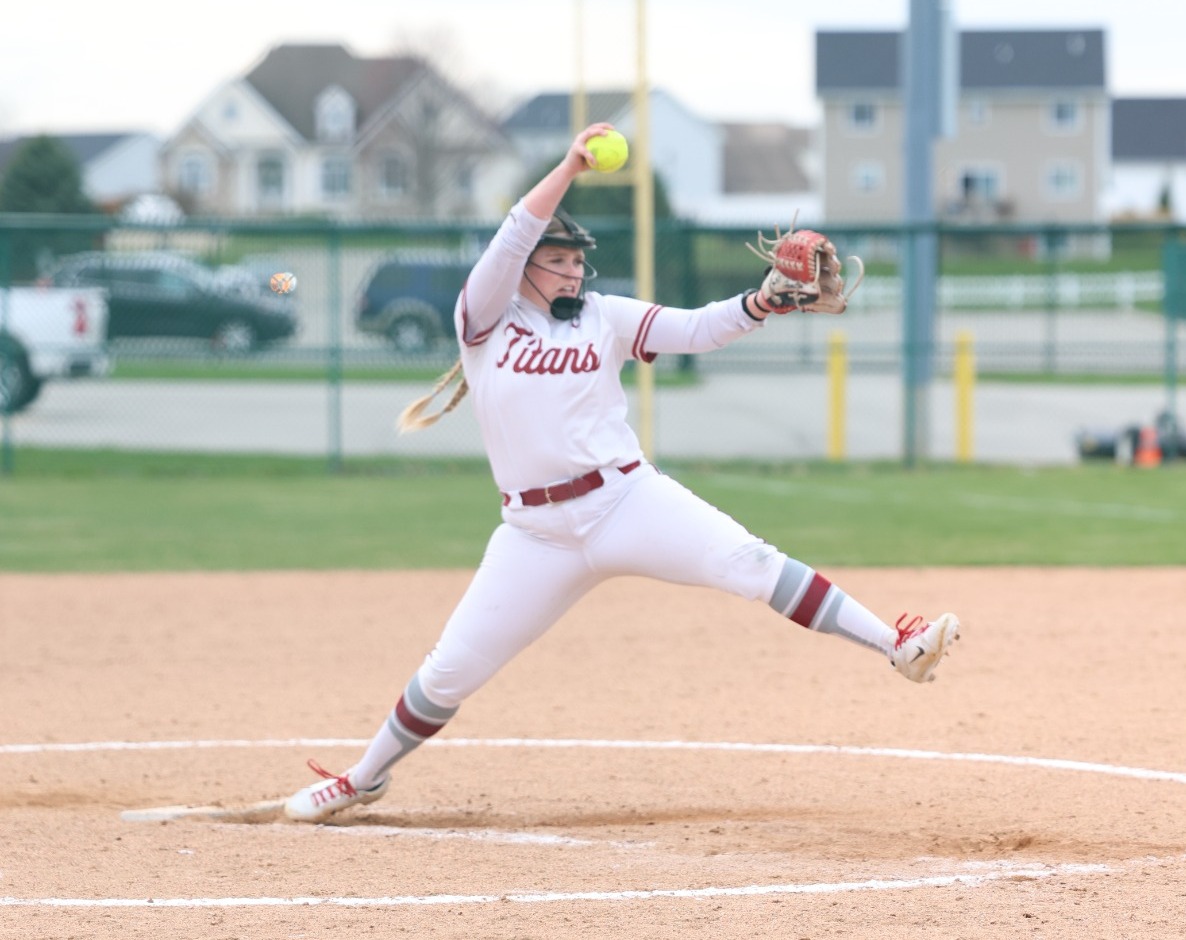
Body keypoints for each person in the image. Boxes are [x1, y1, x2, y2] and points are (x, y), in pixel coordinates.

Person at [283, 123, 960, 823]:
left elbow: (696, 328)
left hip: (625, 500)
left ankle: (897, 645)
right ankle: (361, 779)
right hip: (534, 535)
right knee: (450, 671)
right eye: (558, 260)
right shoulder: (483, 321)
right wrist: (570, 164)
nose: (574, 272)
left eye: (578, 262)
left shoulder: (602, 318)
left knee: (751, 562)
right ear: (523, 269)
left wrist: (761, 304)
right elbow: (515, 231)